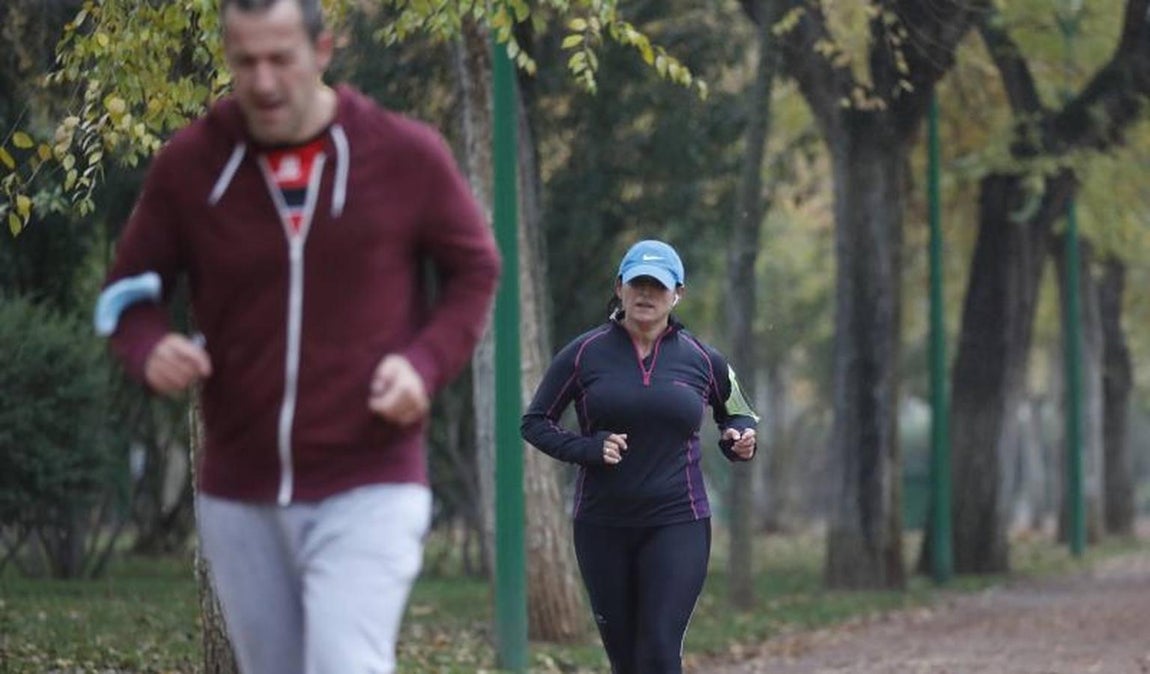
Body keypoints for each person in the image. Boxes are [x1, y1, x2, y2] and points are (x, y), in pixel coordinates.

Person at [98, 1, 500, 672]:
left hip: (369, 475)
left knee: (345, 663)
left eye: (280, 58)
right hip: (240, 487)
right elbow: (127, 292)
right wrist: (147, 347)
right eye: (244, 60)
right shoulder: (192, 165)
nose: (262, 81)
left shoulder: (404, 155)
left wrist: (424, 365)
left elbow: (475, 268)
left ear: (323, 51)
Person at [521, 239, 759, 674]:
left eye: (657, 285)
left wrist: (741, 440)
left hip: (678, 521)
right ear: (620, 288)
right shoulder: (583, 353)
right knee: (627, 660)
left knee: (660, 650)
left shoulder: (704, 359)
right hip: (602, 525)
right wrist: (588, 449)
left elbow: (739, 416)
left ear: (677, 293)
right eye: (637, 284)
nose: (646, 294)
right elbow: (535, 422)